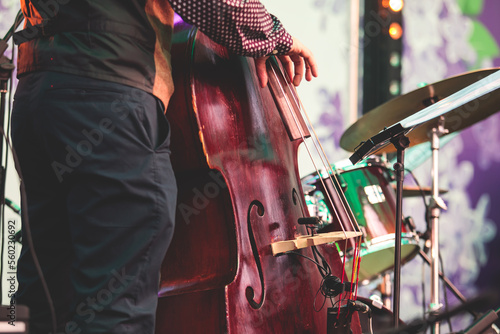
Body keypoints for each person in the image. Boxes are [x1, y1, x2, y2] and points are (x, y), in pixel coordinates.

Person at [11, 0, 318, 333]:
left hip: (37, 91)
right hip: (110, 97)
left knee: (42, 298)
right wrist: (270, 33)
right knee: (116, 309)